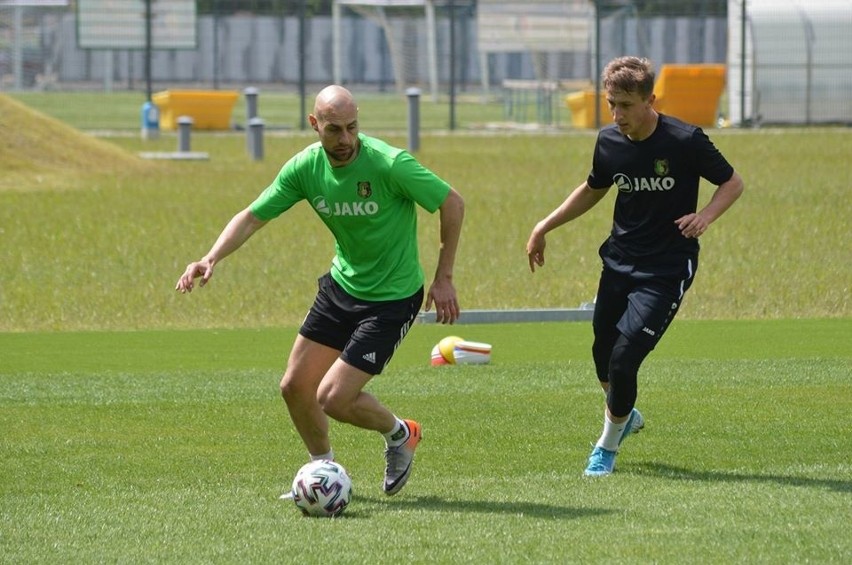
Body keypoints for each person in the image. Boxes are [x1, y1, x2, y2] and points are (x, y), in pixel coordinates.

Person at [176, 85, 464, 496]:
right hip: (342, 287)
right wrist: (210, 257)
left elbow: (452, 202)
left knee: (332, 397)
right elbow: (253, 217)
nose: (345, 140)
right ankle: (322, 473)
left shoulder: (389, 163)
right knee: (294, 386)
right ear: (315, 125)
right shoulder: (305, 168)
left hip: (392, 299)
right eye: (333, 130)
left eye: (352, 127)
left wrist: (444, 277)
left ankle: (400, 434)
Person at [525, 56, 743, 477]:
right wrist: (544, 225)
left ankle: (606, 447)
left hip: (666, 268)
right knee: (603, 358)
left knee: (625, 361)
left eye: (626, 104)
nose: (617, 114)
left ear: (650, 100)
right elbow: (594, 188)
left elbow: (732, 183)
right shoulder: (609, 141)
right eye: (612, 104)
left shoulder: (685, 140)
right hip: (619, 262)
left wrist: (706, 217)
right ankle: (626, 415)